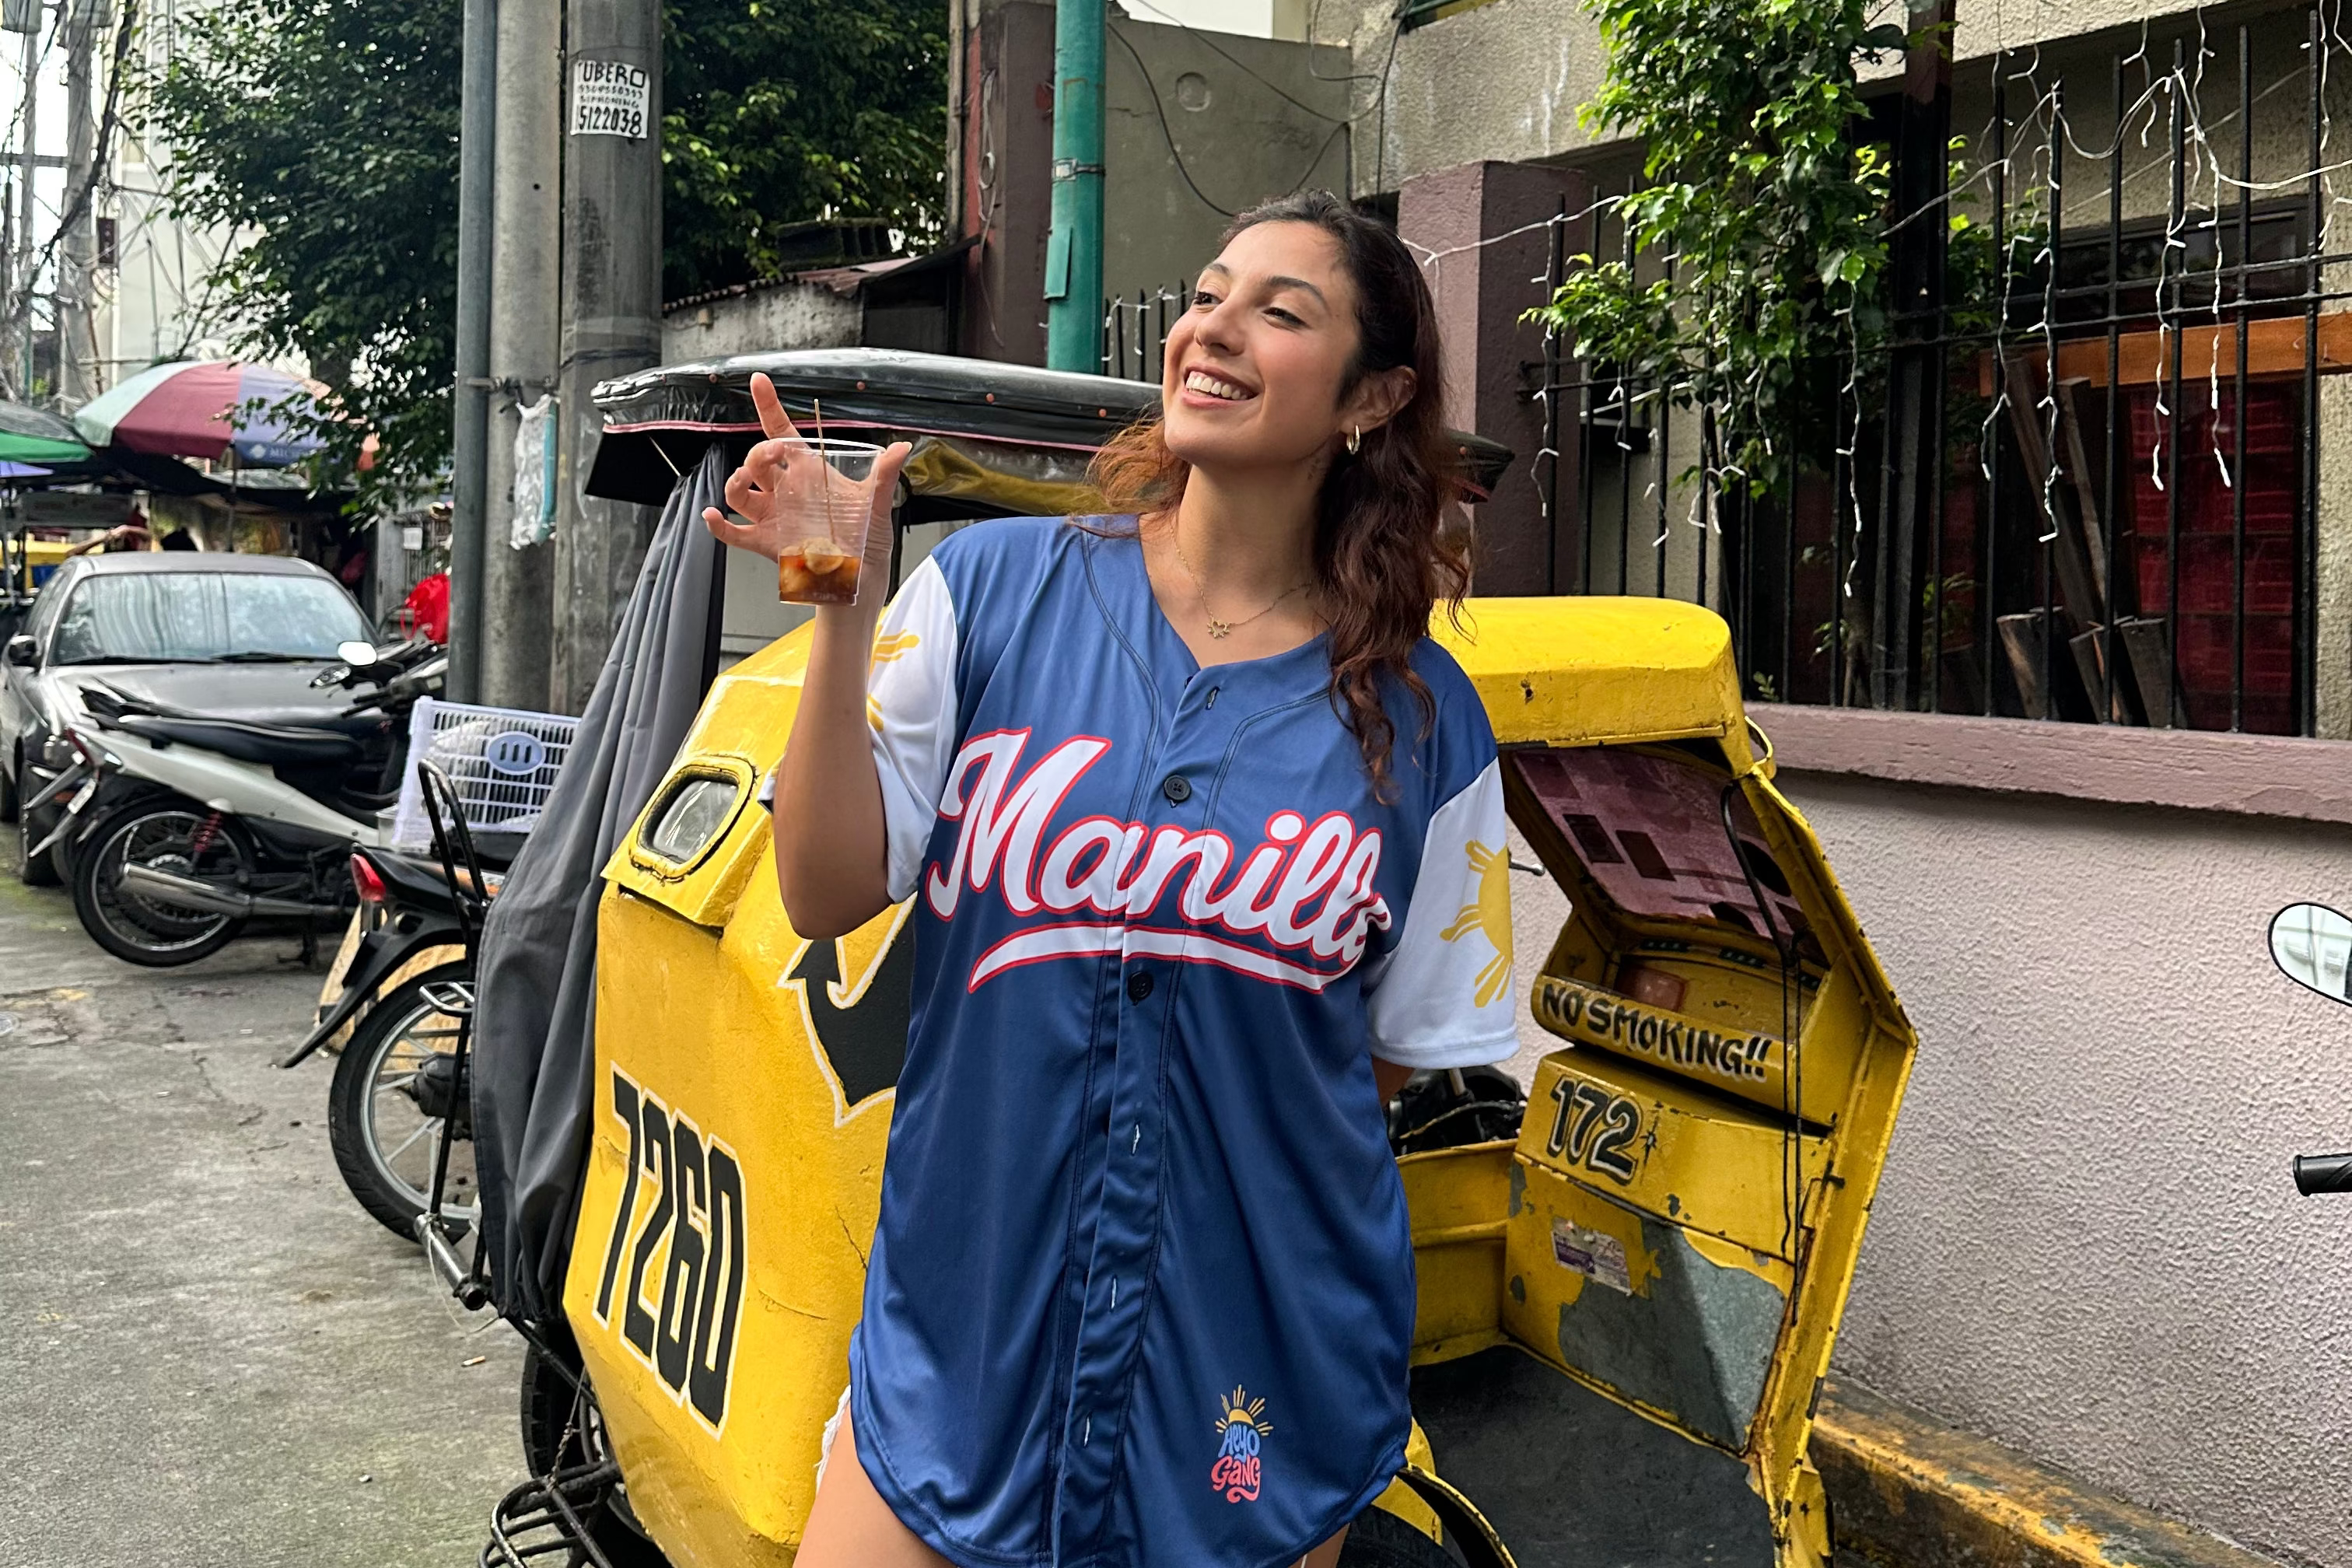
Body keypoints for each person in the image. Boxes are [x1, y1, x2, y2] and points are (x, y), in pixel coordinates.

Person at [706, 190, 1517, 1568]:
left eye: (1281, 310)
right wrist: (838, 615)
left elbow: (1376, 1063)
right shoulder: (992, 590)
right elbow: (828, 889)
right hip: (969, 1325)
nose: (1215, 329)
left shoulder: (1428, 721)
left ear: (1372, 398)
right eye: (1209, 294)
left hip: (1253, 1359)